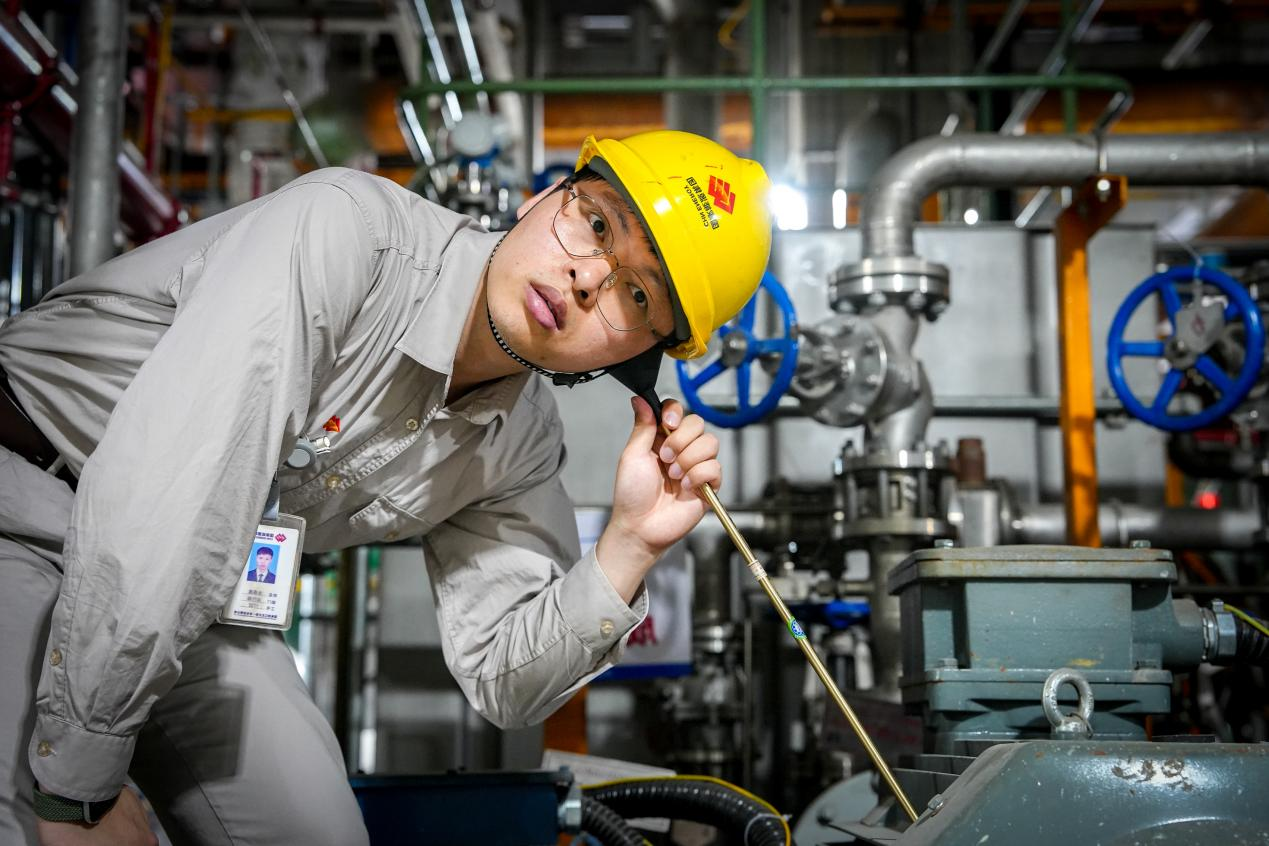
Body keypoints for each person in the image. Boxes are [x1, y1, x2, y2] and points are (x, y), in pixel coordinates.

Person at [0, 129, 771, 846]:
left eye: (636, 296)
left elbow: (504, 681)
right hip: (26, 495)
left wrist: (628, 545)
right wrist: (76, 793)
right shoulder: (347, 231)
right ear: (544, 198)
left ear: (633, 359)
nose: (587, 279)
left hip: (196, 586)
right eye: (596, 225)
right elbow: (168, 495)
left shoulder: (519, 442)